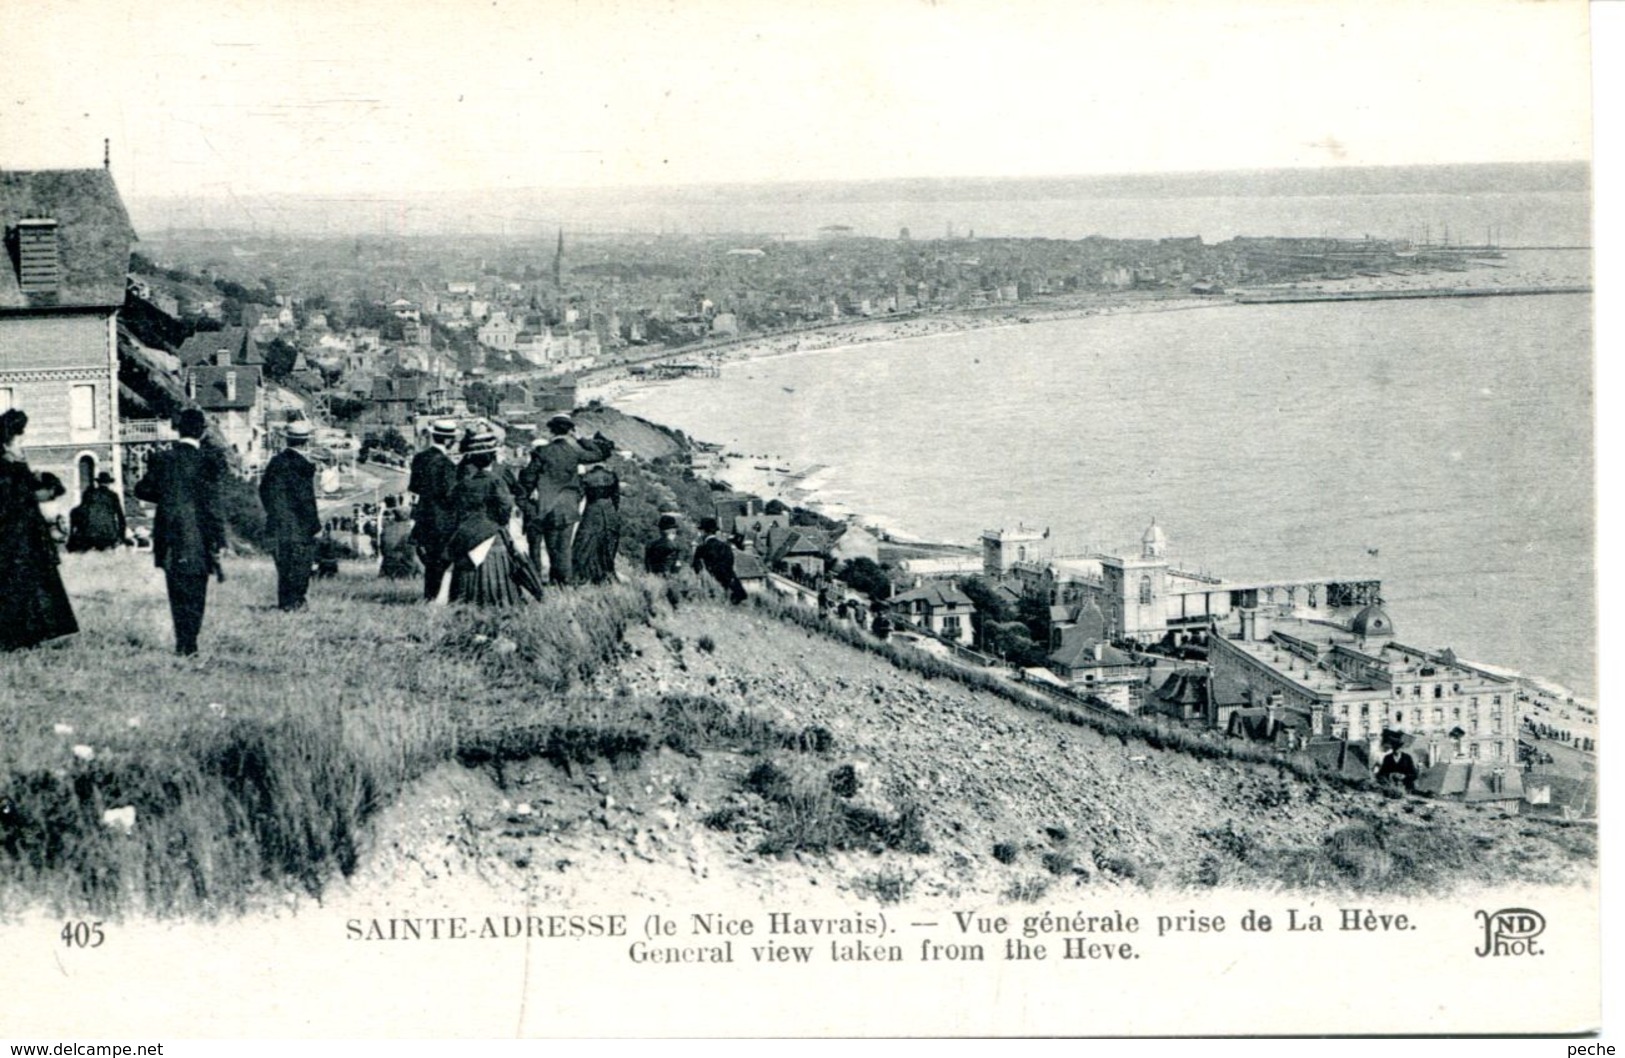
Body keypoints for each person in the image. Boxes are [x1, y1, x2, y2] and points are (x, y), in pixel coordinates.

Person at [133, 408, 225, 657]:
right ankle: (191, 642)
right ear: (203, 432)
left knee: (176, 589)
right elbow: (213, 504)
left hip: (169, 534)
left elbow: (141, 490)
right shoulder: (208, 461)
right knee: (197, 589)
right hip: (199, 534)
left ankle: (181, 642)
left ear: (177, 429)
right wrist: (219, 538)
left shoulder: (163, 459)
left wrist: (166, 496)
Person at [0, 409, 78, 650]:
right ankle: (21, 637)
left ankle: (23, 636)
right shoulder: (9, 464)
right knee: (23, 581)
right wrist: (35, 492)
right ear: (12, 438)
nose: (22, 442)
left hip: (20, 531)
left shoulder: (13, 462)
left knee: (21, 582)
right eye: (20, 437)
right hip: (18, 532)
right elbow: (13, 497)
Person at [518, 414, 614, 586]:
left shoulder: (542, 452)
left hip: (548, 505)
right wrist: (580, 438)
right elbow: (599, 453)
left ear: (551, 430)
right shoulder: (574, 451)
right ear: (569, 430)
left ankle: (560, 583)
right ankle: (563, 584)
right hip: (569, 505)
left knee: (552, 547)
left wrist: (527, 499)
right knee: (563, 547)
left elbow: (527, 479)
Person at [444, 429, 528, 606]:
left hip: (466, 532)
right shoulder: (496, 480)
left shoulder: (463, 483)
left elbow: (452, 504)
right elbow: (505, 506)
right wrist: (499, 523)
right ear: (492, 456)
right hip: (491, 531)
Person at [258, 421, 322, 611]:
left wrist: (274, 512)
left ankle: (285, 602)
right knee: (300, 565)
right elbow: (306, 500)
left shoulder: (276, 462)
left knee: (284, 565)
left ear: (288, 439)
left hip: (277, 524)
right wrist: (315, 526)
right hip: (299, 526)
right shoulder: (302, 466)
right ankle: (296, 602)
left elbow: (264, 490)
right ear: (306, 442)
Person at [408, 419, 459, 601]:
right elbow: (450, 494)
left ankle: (429, 595)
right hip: (443, 516)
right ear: (448, 441)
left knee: (431, 560)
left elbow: (414, 487)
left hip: (424, 514)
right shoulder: (446, 465)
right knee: (443, 559)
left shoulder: (419, 458)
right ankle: (440, 597)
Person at [571, 463, 621, 585]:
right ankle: (605, 574)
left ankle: (583, 575)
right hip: (610, 512)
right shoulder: (612, 476)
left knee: (585, 543)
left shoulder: (586, 477)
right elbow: (616, 498)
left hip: (592, 510)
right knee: (608, 543)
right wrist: (614, 511)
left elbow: (578, 497)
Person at [66, 471, 127, 552]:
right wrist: (122, 536)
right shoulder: (112, 496)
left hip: (89, 533)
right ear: (108, 483)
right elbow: (120, 517)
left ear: (98, 483)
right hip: (108, 534)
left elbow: (80, 512)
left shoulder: (89, 494)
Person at [692, 515, 746, 604]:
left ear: (703, 532)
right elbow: (731, 565)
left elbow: (697, 569)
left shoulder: (701, 549)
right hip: (730, 585)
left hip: (711, 587)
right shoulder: (726, 547)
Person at [377, 496, 421, 579]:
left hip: (389, 562)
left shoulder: (388, 528)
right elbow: (412, 550)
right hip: (405, 563)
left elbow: (382, 547)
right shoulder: (408, 530)